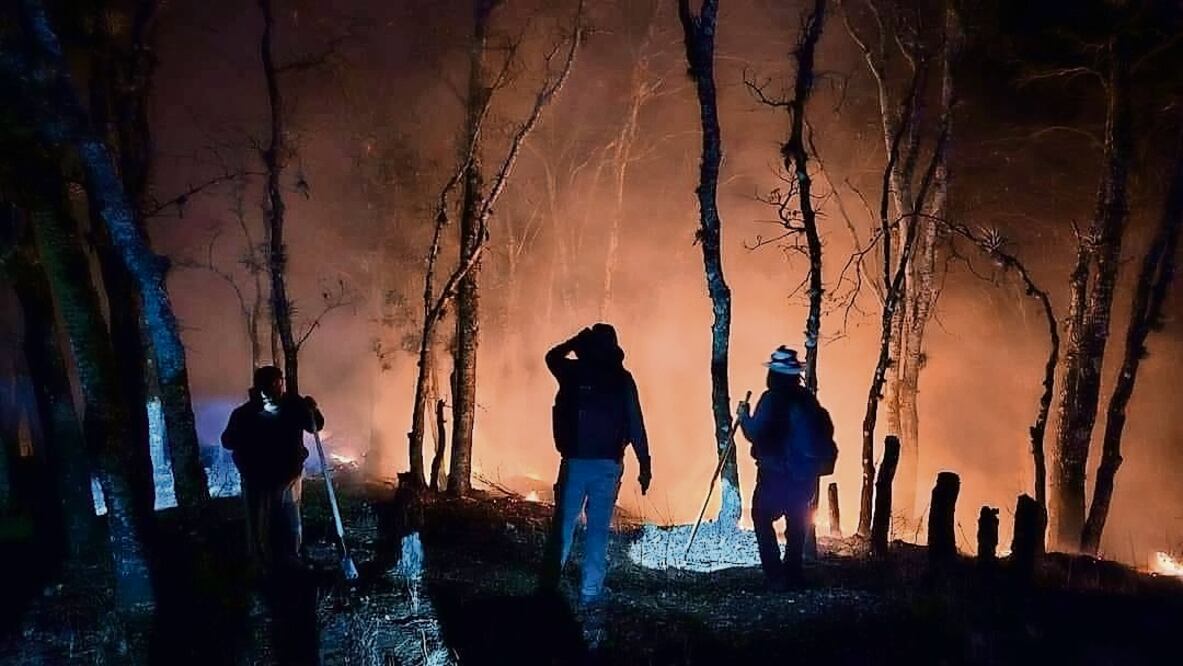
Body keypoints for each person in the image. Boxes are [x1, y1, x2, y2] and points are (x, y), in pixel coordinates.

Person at [541, 323, 651, 606]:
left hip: (575, 463)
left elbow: (551, 357)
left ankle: (548, 588)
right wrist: (645, 464)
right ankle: (590, 592)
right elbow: (636, 425)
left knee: (563, 526)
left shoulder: (574, 372)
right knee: (598, 529)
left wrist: (574, 340)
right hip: (607, 466)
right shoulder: (622, 379)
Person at [738, 346, 836, 589]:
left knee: (761, 516)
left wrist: (744, 416)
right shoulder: (807, 399)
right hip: (804, 477)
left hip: (775, 474)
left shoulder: (771, 399)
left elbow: (755, 432)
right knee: (797, 523)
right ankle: (793, 574)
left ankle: (775, 575)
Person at [221, 365, 324, 572]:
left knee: (291, 520)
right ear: (260, 387)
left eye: (279, 384)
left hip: (290, 476)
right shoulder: (244, 414)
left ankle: (291, 560)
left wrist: (313, 409)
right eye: (271, 385)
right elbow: (228, 441)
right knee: (261, 524)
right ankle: (262, 564)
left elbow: (314, 426)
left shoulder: (293, 406)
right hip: (259, 479)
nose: (276, 390)